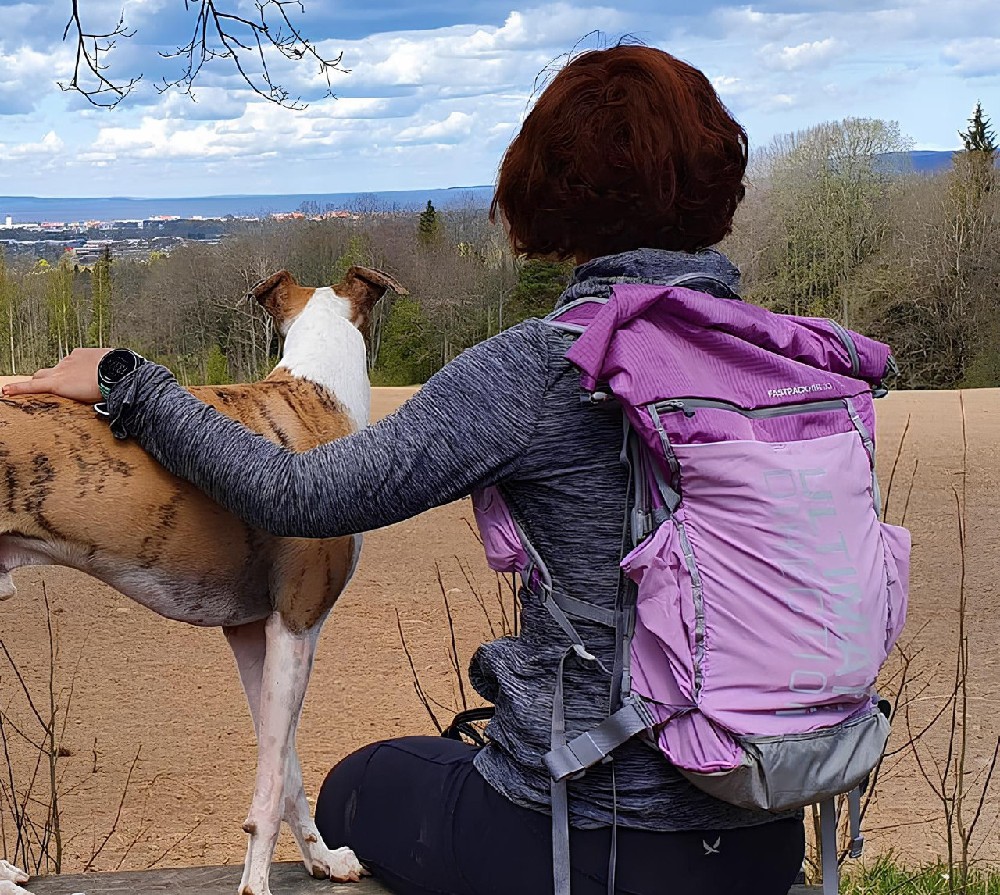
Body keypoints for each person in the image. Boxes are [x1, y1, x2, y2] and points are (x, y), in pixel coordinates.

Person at [5, 45, 805, 895]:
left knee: (362, 786)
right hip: (767, 826)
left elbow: (299, 493)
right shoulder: (796, 365)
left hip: (591, 841)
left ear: (545, 194)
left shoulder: (542, 369)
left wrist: (131, 383)